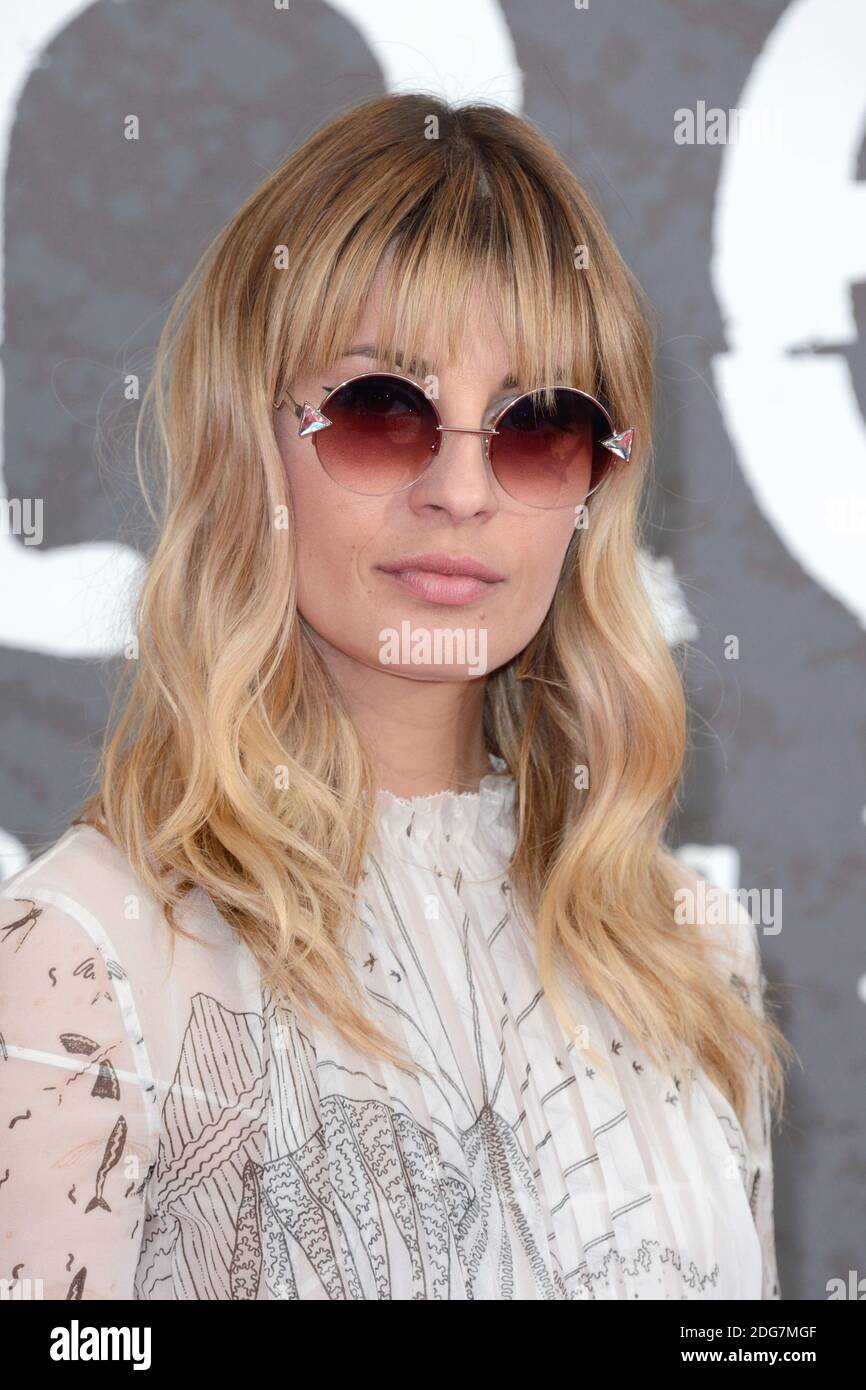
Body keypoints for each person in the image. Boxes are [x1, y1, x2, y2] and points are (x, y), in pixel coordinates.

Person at [0, 93, 792, 1301]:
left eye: (538, 426)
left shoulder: (689, 955)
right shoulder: (83, 955)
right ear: (243, 443)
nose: (461, 489)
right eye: (381, 411)